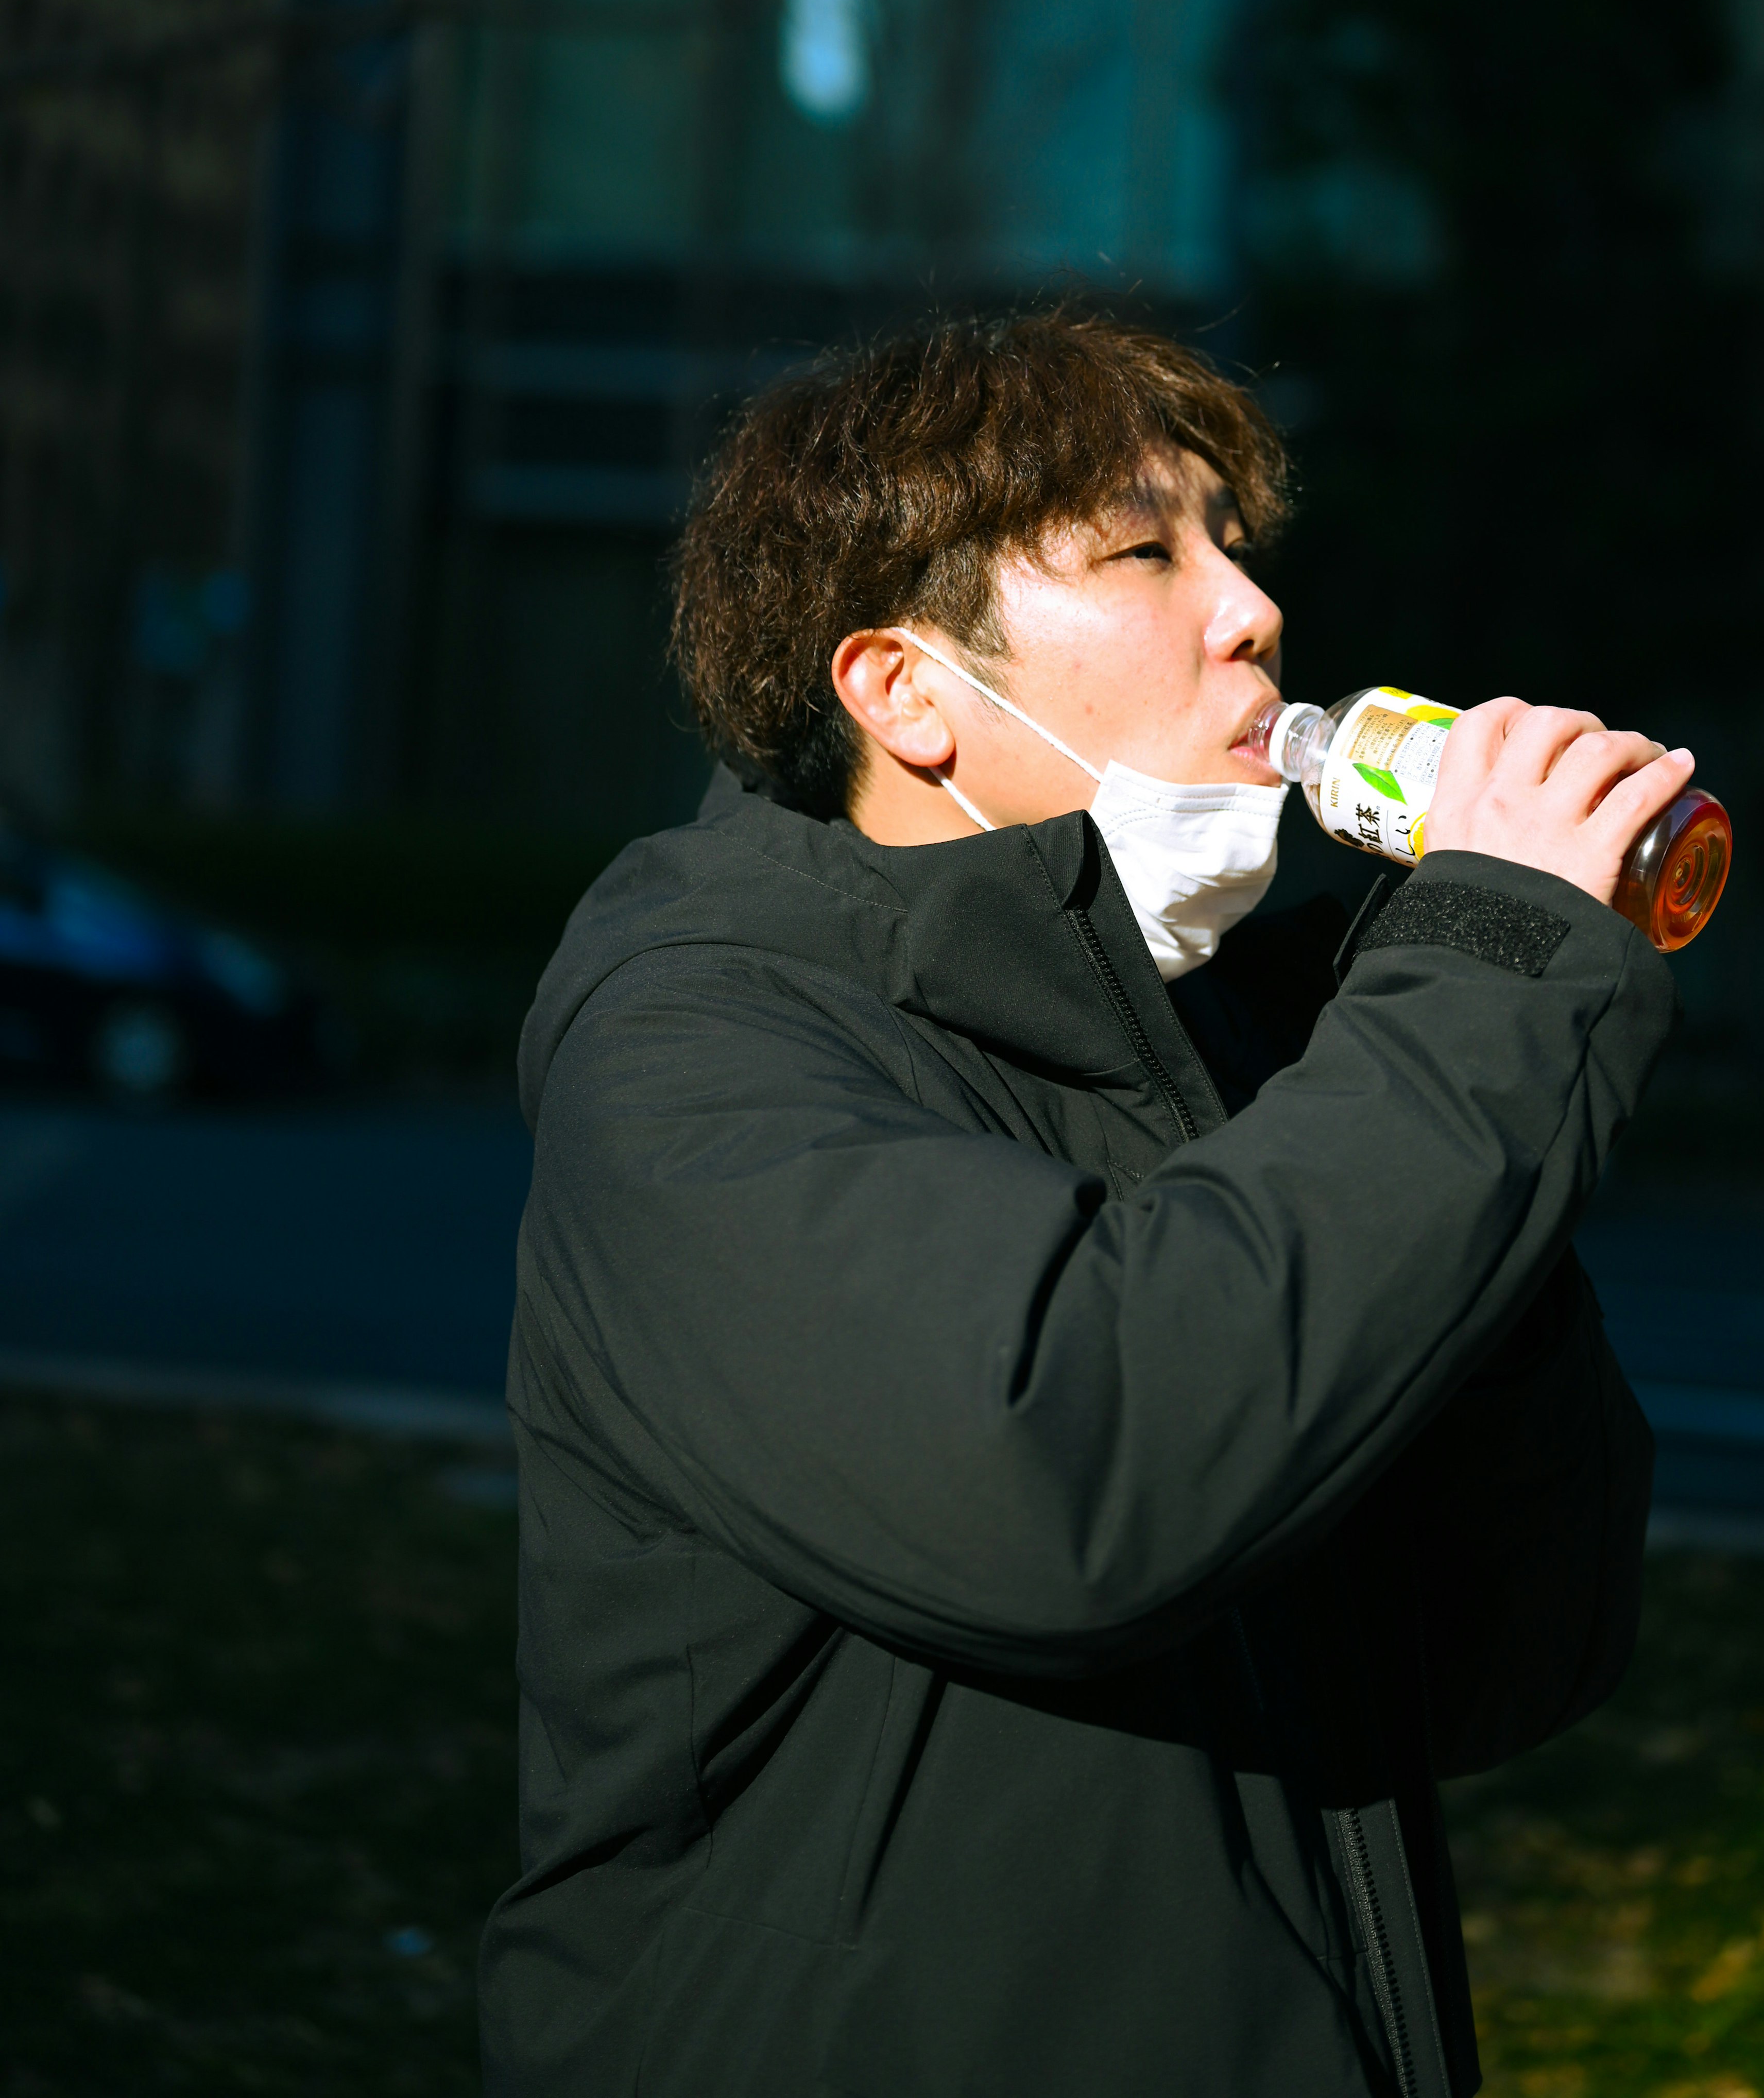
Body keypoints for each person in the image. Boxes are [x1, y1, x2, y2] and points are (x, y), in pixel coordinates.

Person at [479, 310, 1684, 2098]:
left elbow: (1499, 1667)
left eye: (1234, 540)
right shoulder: (696, 1036)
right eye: (1144, 550)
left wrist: (1458, 1180)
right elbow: (1077, 1467)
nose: (1249, 607)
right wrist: (1488, 979)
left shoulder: (1238, 1032)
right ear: (903, 693)